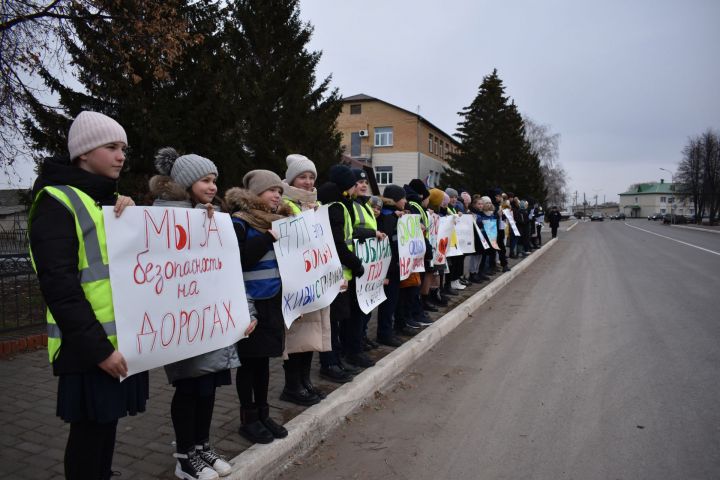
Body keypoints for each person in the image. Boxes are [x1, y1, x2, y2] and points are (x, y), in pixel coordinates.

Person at [28, 111, 149, 480]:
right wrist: (100, 350)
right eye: (111, 147)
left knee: (105, 428)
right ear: (83, 153)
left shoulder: (104, 201)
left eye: (123, 148)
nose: (121, 156)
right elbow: (60, 289)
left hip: (117, 343)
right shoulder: (55, 203)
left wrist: (125, 217)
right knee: (88, 435)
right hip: (88, 348)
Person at [151, 147, 248, 479]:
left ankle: (201, 447)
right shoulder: (163, 217)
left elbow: (227, 270)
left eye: (214, 181)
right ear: (186, 181)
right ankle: (184, 456)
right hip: (184, 323)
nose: (212, 187)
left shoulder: (212, 217)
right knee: (189, 388)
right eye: (205, 180)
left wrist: (242, 312)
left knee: (208, 387)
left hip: (212, 323)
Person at [225, 171, 290, 444]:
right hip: (249, 303)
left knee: (264, 362)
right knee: (250, 363)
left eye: (279, 190)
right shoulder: (240, 222)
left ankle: (263, 413)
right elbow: (238, 260)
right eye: (271, 190)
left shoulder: (278, 221)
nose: (277, 195)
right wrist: (267, 238)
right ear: (255, 194)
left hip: (272, 299)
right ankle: (248, 418)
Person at [279, 154, 331, 406]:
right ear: (291, 179)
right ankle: (292, 386)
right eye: (303, 177)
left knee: (311, 334)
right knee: (297, 336)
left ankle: (304, 381)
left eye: (311, 177)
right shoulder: (284, 205)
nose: (308, 182)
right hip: (296, 283)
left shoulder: (314, 206)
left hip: (314, 281)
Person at [316, 165, 367, 382]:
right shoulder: (335, 206)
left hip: (338, 272)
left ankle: (335, 360)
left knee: (334, 321)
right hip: (335, 272)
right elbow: (338, 244)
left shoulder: (337, 203)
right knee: (331, 322)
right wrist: (356, 263)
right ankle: (329, 363)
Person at [376, 185, 408, 346]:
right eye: (403, 198)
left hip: (395, 266)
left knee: (393, 301)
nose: (406, 201)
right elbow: (387, 246)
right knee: (388, 303)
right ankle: (384, 333)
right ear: (395, 200)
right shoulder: (388, 217)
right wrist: (387, 273)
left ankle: (387, 331)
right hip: (390, 268)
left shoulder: (392, 216)